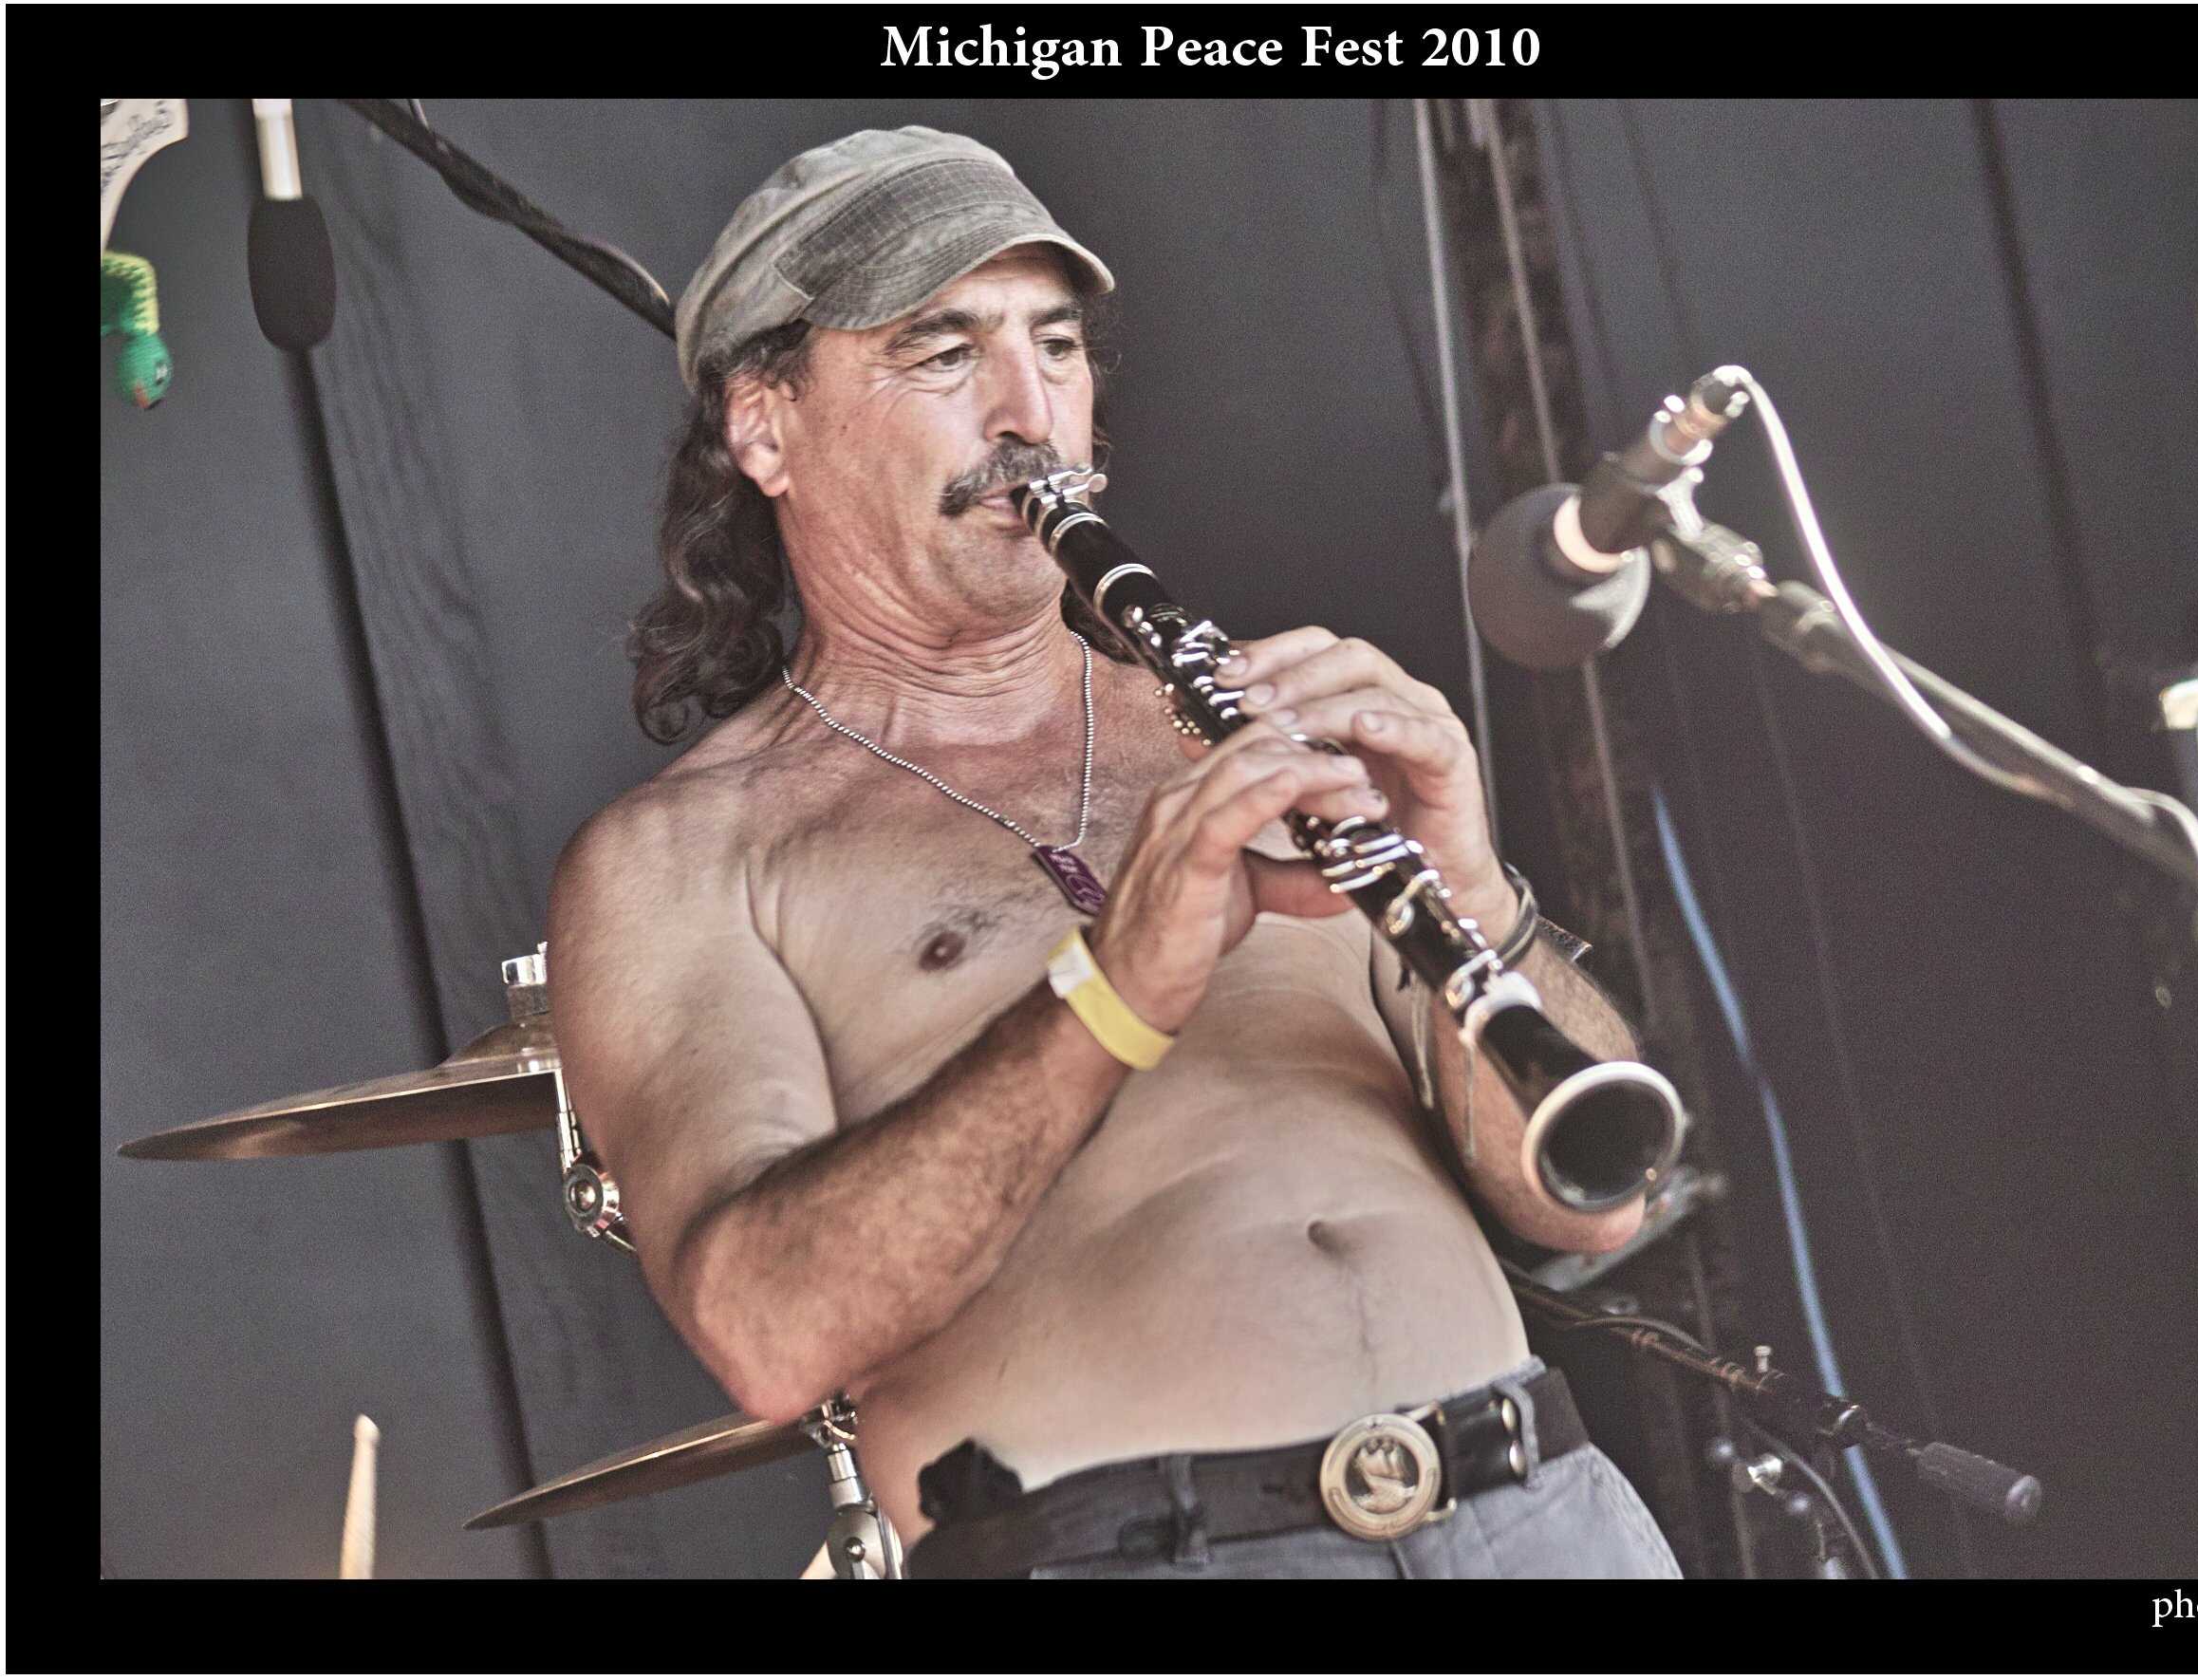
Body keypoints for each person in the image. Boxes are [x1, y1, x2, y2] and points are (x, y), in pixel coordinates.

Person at [548, 126, 1685, 1579]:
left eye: (1059, 346)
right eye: (943, 353)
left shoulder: (1249, 720)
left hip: (1546, 1513)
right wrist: (1112, 989)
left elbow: (1593, 1200)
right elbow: (768, 1330)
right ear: (766, 426)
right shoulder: (682, 860)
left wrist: (1466, 884)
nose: (1031, 413)